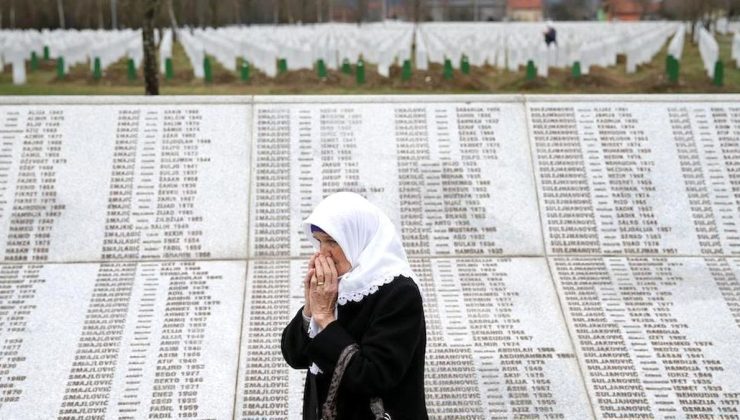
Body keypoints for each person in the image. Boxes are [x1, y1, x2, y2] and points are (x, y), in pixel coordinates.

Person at [281, 192, 428, 420]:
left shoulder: (399, 292)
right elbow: (295, 357)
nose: (323, 253)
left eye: (332, 241)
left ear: (357, 237)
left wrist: (326, 318)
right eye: (319, 241)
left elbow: (373, 376)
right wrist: (310, 308)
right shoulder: (341, 283)